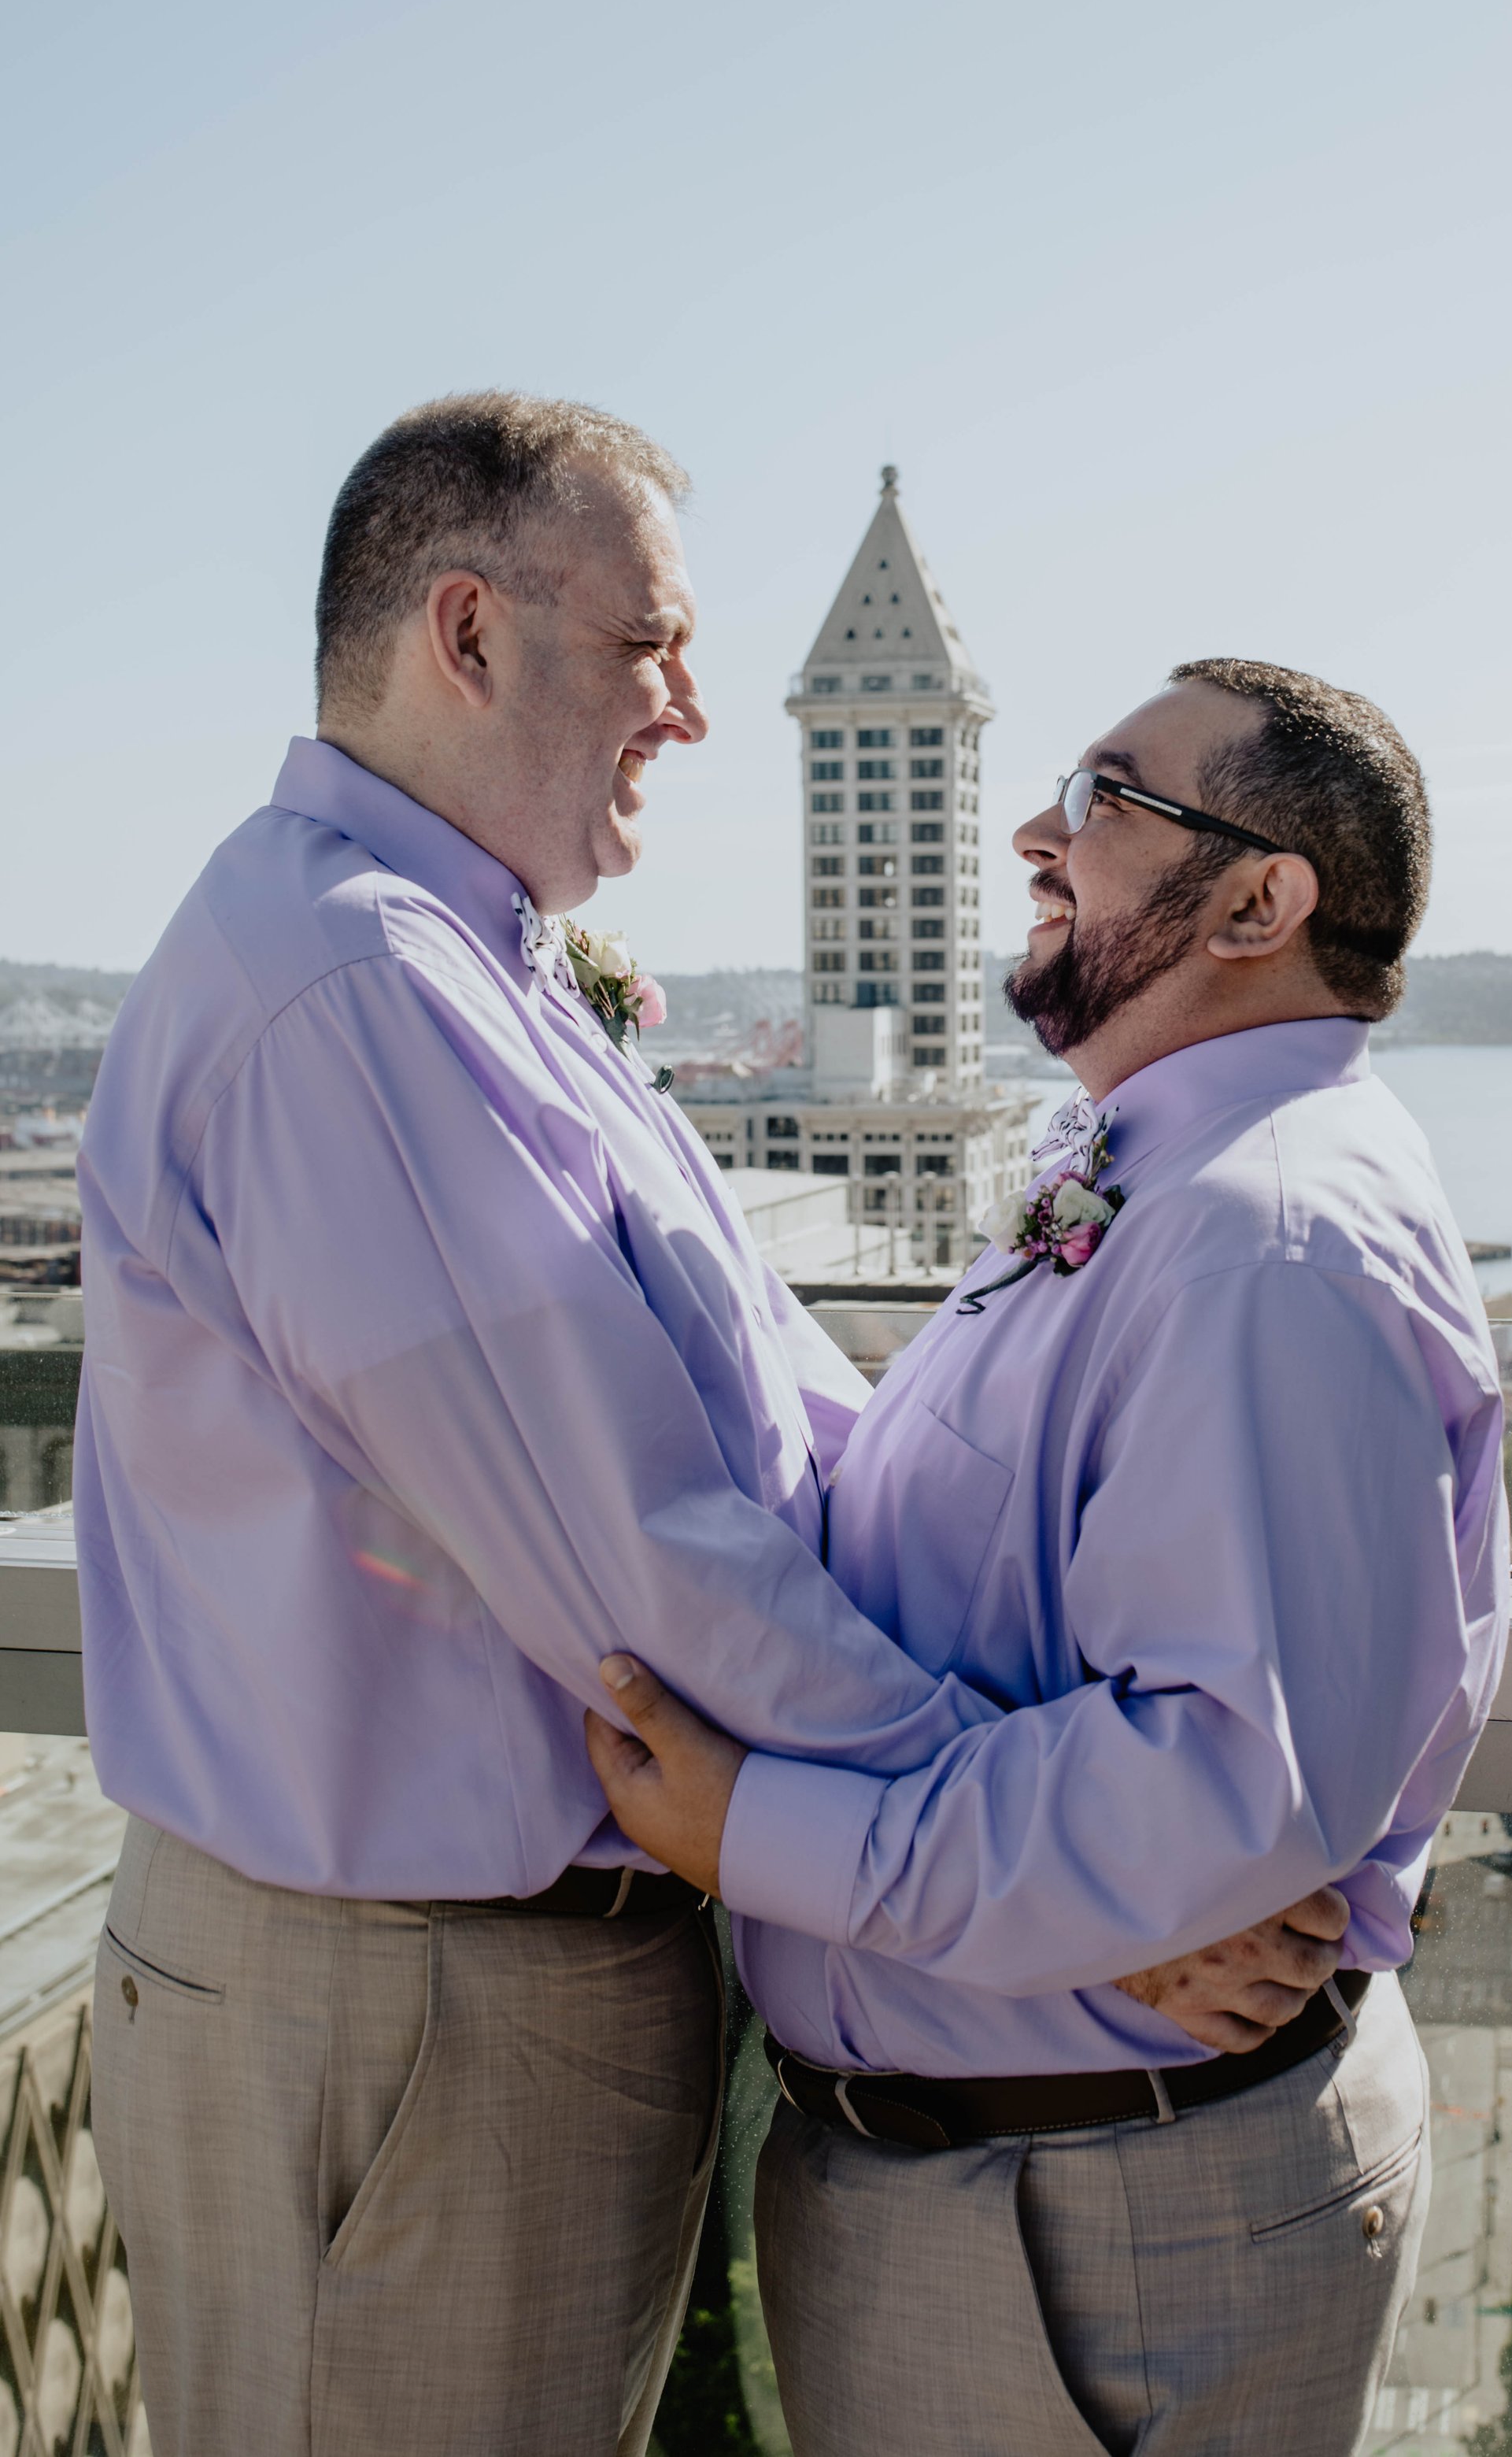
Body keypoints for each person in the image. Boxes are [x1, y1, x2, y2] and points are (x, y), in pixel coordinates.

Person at [75, 398, 1344, 2457]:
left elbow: (788, 1421)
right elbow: (653, 1562)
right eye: (645, 644)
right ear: (467, 634)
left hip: (482, 2006)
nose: (688, 708)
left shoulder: (459, 964)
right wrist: (1104, 1872)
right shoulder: (349, 990)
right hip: (404, 2022)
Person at [590, 657, 1511, 2457]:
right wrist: (1138, 1907)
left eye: (1102, 795)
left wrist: (759, 1835)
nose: (1034, 830)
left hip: (1091, 2225)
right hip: (1026, 2188)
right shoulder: (1168, 1176)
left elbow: (1219, 1787)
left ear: (1258, 900)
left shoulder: (1264, 1241)